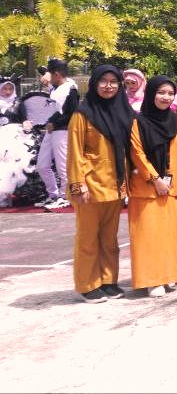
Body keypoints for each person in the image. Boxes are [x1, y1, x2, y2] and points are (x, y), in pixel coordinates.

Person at [65, 65, 134, 303]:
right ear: (94, 84)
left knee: (109, 238)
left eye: (113, 81)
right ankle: (87, 284)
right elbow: (75, 153)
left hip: (115, 186)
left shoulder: (123, 113)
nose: (108, 86)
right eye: (103, 81)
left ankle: (107, 280)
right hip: (91, 187)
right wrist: (78, 185)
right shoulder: (82, 115)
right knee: (87, 238)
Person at [128, 76, 177, 297]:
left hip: (170, 188)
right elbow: (137, 153)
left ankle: (167, 275)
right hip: (146, 188)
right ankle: (151, 280)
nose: (166, 97)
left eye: (170, 93)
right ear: (151, 94)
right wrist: (155, 179)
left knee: (168, 234)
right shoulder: (138, 121)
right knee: (147, 235)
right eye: (161, 93)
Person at [36, 59, 79, 211]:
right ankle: (52, 194)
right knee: (42, 165)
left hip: (63, 130)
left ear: (57, 74)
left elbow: (73, 113)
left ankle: (64, 196)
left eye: (50, 73)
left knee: (62, 166)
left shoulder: (71, 89)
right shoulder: (55, 88)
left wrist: (55, 123)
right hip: (51, 130)